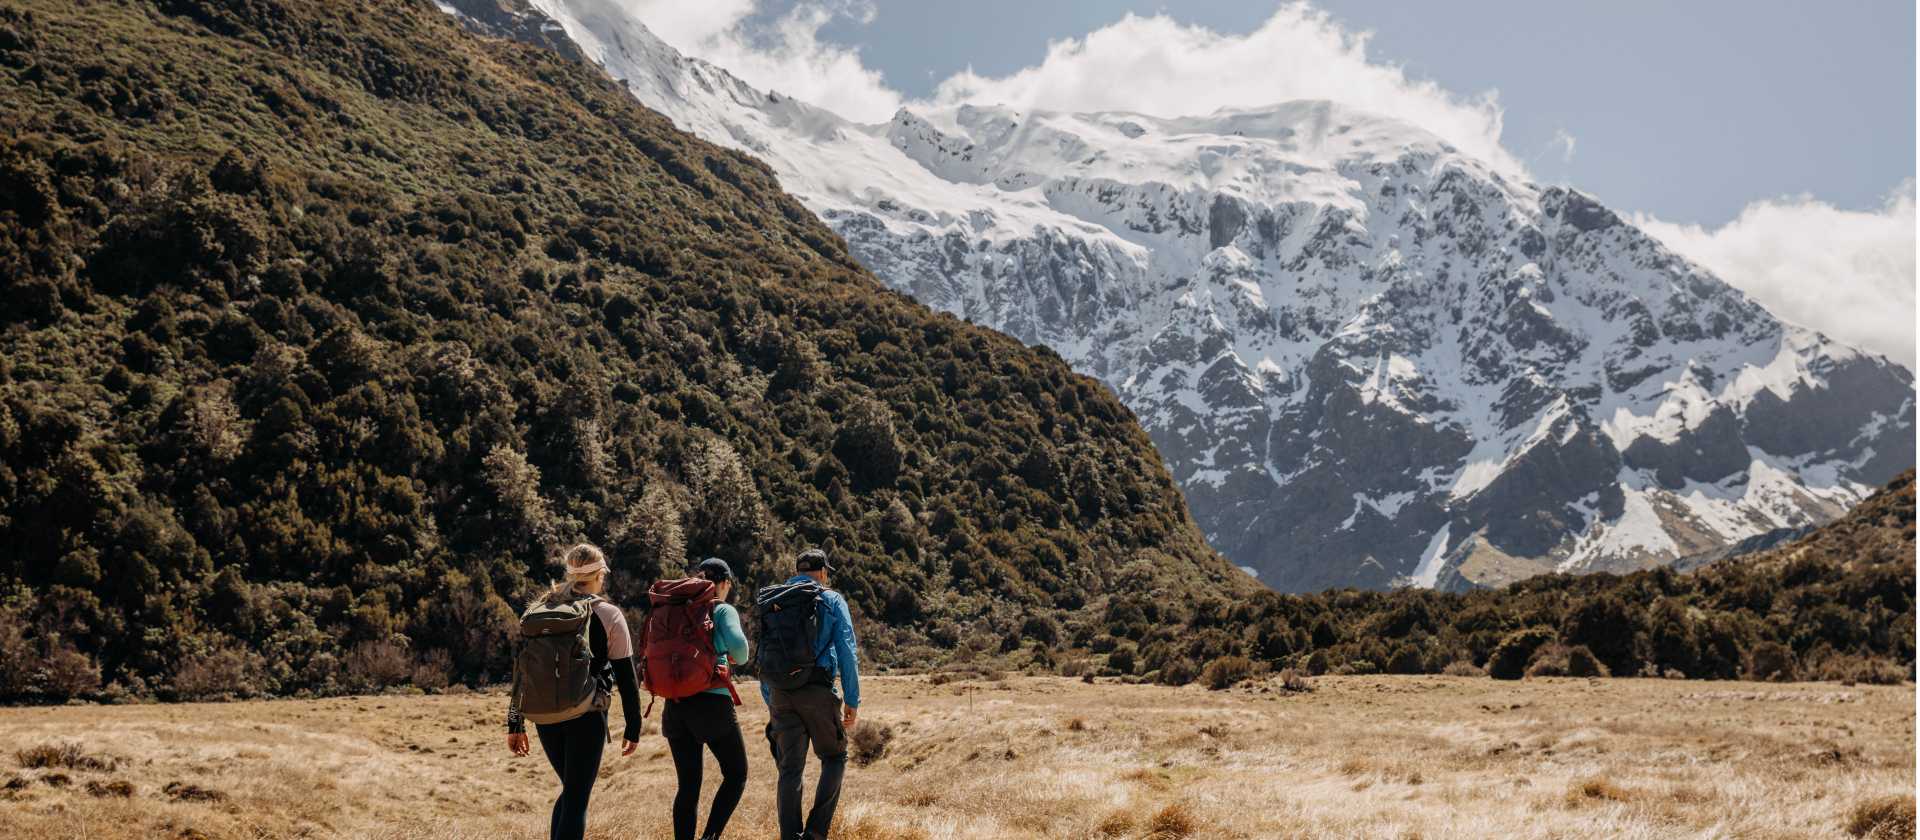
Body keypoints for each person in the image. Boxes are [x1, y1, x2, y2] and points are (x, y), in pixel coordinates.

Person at [506, 543, 641, 840]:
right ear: (599, 575)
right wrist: (634, 726)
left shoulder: (538, 610)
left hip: (544, 717)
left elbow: (521, 671)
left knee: (571, 791)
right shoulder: (608, 614)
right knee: (577, 799)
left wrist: (514, 723)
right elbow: (626, 677)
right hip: (586, 715)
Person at [759, 548, 861, 840]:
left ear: (797, 571)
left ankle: (790, 836)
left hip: (780, 692)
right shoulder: (830, 599)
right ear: (823, 573)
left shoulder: (775, 601)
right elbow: (846, 651)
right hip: (816, 688)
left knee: (790, 769)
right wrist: (852, 699)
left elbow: (765, 654)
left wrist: (772, 700)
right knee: (834, 757)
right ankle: (815, 833)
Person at [661, 558, 751, 840]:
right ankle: (710, 837)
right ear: (723, 583)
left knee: (688, 786)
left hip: (675, 705)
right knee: (736, 773)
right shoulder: (721, 609)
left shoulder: (676, 609)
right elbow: (742, 651)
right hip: (711, 703)